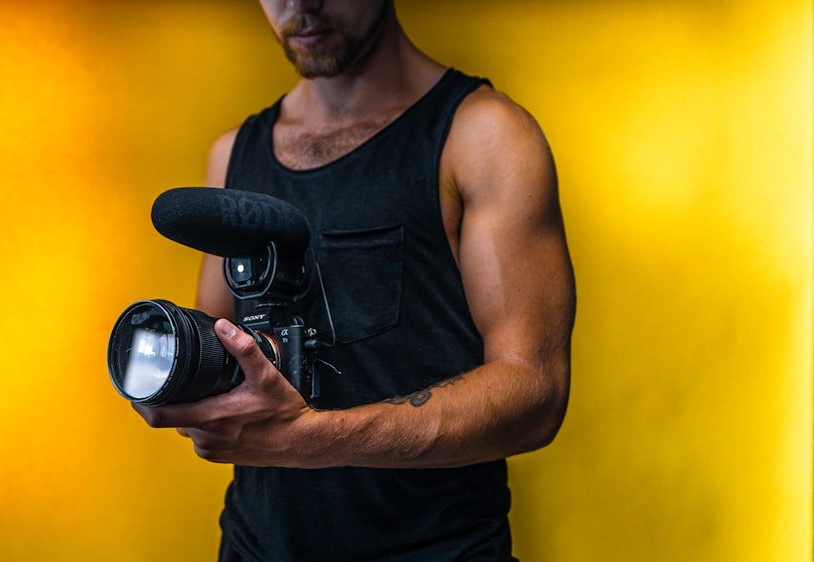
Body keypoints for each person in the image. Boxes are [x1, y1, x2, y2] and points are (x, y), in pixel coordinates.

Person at [133, 1, 576, 560]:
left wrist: (306, 440)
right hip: (254, 546)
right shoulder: (232, 154)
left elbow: (535, 392)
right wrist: (175, 389)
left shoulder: (484, 135)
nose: (301, 5)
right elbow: (220, 358)